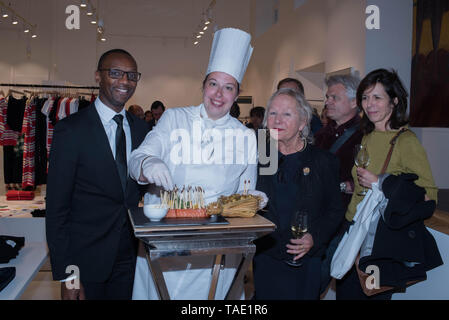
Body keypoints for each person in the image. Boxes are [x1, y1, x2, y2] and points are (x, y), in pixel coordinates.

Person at [128, 28, 261, 300]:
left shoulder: (246, 137)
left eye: (229, 87)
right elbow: (135, 159)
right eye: (213, 84)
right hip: (166, 241)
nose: (219, 94)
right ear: (203, 86)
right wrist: (149, 162)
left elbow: (246, 193)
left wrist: (253, 200)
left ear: (236, 95)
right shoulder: (174, 119)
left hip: (217, 249)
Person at [45, 49, 149, 300]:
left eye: (132, 75)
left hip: (130, 258)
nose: (125, 81)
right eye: (115, 73)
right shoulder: (71, 130)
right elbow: (57, 208)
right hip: (85, 261)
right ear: (97, 76)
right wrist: (68, 275)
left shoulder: (142, 130)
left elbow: (138, 189)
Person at [335, 68, 438, 300]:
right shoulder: (367, 136)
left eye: (377, 97)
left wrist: (381, 182)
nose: (369, 104)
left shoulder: (406, 142)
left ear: (394, 101)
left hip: (378, 240)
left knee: (371, 295)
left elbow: (429, 196)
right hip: (352, 230)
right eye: (365, 97)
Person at [254, 88, 345, 300]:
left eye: (287, 114)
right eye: (273, 113)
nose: (277, 120)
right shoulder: (259, 156)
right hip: (266, 255)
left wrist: (315, 236)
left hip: (305, 259)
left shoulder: (323, 161)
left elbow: (334, 209)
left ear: (303, 122)